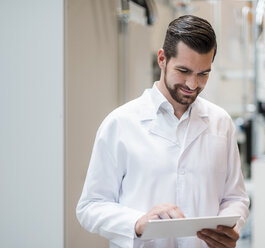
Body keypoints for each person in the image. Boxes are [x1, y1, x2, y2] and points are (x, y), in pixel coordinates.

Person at [76, 15, 249, 248]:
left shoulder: (221, 123)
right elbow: (90, 206)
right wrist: (137, 222)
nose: (192, 84)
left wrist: (231, 228)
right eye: (183, 70)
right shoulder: (120, 123)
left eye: (203, 74)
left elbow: (235, 197)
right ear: (162, 59)